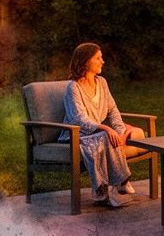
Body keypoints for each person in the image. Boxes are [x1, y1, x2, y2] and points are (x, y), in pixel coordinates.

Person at [59, 42, 145, 208]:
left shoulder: (102, 82)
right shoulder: (73, 88)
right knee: (106, 136)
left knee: (109, 136)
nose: (103, 61)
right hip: (76, 134)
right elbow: (78, 119)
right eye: (98, 58)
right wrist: (106, 128)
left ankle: (107, 190)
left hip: (96, 133)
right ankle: (119, 181)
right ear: (85, 61)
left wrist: (120, 131)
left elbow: (113, 111)